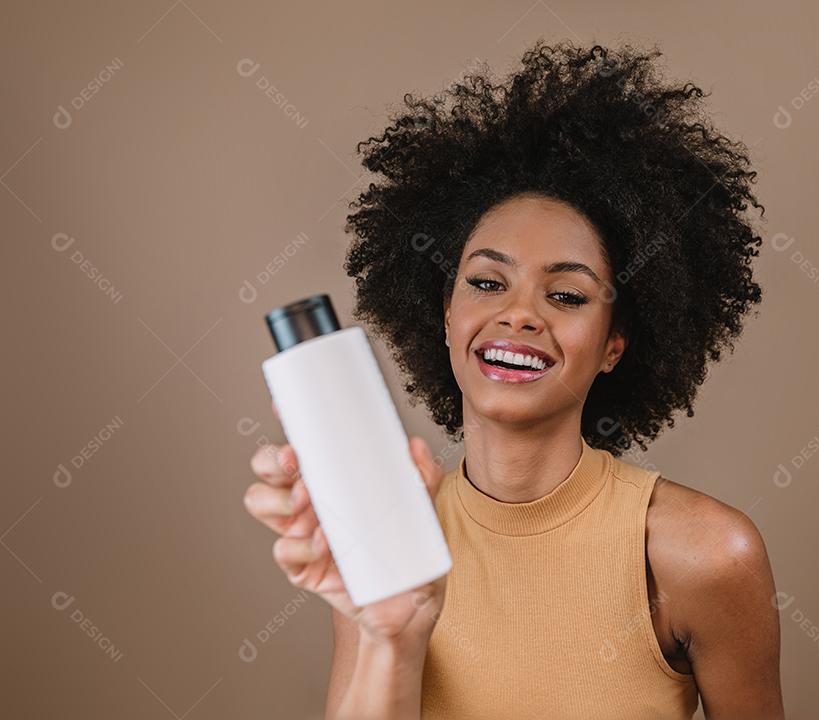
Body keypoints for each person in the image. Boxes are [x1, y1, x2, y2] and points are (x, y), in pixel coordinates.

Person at [245, 39, 783, 720]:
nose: (519, 314)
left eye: (566, 295)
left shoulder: (706, 554)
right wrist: (392, 635)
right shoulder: (386, 539)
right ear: (445, 315)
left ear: (615, 344)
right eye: (487, 282)